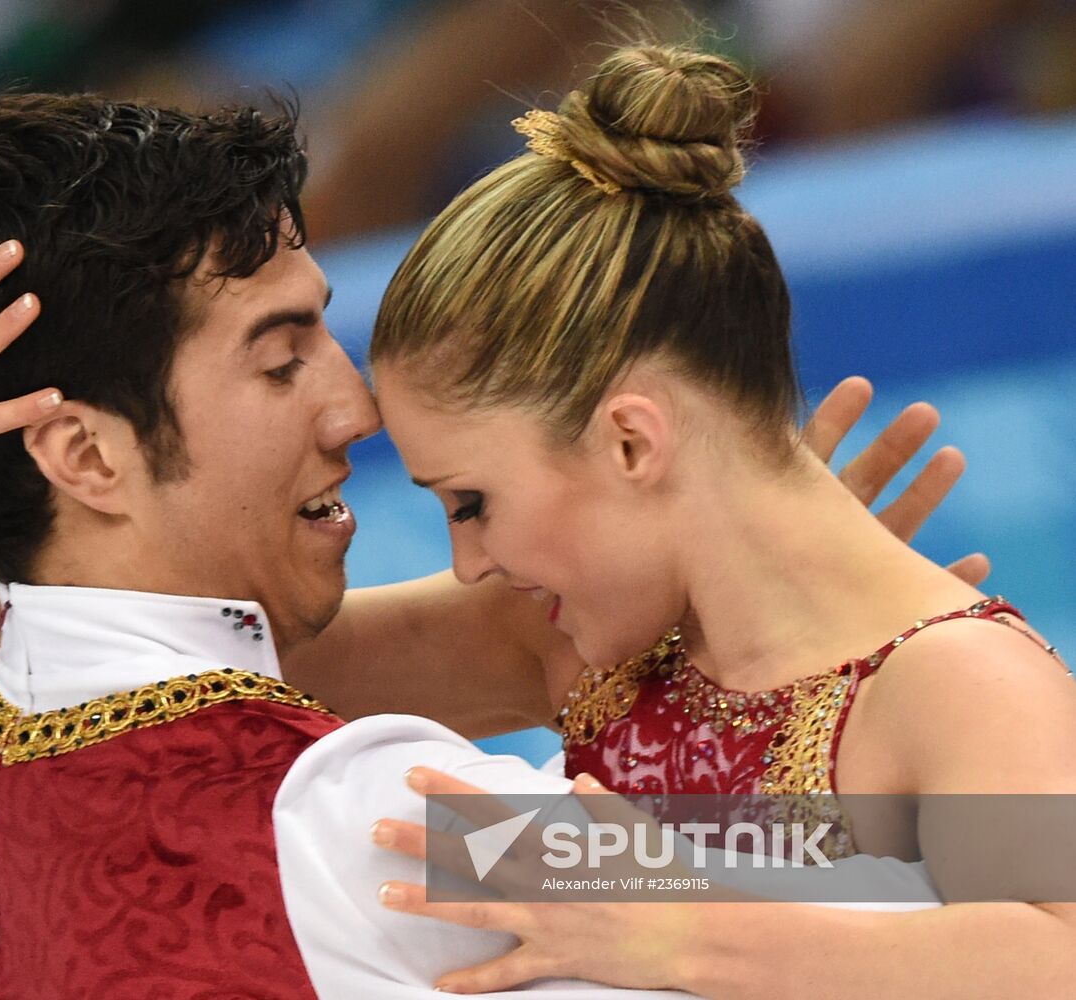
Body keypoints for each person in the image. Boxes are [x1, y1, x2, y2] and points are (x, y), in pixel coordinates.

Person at [0, 88, 981, 999]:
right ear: (84, 458)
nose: (355, 410)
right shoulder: (387, 824)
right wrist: (887, 670)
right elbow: (951, 897)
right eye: (282, 358)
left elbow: (103, 698)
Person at [349, 42, 1076, 995]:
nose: (470, 559)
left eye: (471, 503)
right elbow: (211, 678)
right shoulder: (580, 644)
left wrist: (692, 934)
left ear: (631, 445)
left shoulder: (959, 687)